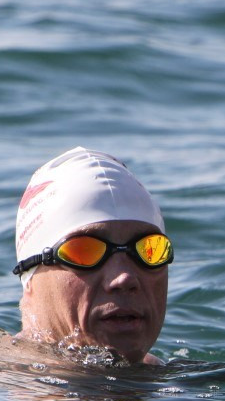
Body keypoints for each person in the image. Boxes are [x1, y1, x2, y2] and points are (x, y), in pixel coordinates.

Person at [12, 147, 171, 365]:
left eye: (148, 250)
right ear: (29, 274)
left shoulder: (184, 384)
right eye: (84, 251)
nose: (125, 277)